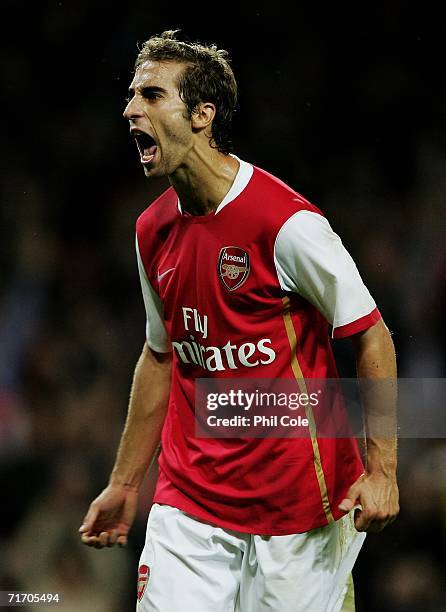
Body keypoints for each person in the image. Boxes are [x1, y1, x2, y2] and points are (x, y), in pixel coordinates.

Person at [79, 30, 399, 611]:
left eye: (151, 95)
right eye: (130, 95)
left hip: (299, 509)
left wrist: (383, 471)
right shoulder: (151, 231)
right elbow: (160, 356)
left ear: (202, 115)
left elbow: (370, 335)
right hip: (190, 507)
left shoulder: (287, 224)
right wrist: (126, 483)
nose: (130, 109)